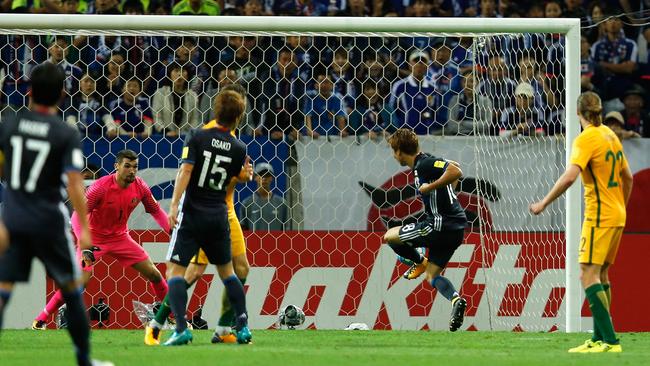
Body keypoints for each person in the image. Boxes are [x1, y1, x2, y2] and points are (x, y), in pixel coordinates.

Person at [0, 62, 112, 366]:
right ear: (63, 95)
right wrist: (85, 230)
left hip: (14, 220)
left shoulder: (10, 125)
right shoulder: (64, 133)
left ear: (29, 91)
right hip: (49, 221)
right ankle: (85, 360)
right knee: (72, 289)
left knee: (4, 287)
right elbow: (76, 184)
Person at [145, 84, 253, 346]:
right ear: (238, 114)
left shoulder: (211, 139)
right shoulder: (232, 144)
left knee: (241, 269)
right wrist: (242, 176)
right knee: (195, 273)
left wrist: (242, 177)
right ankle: (157, 325)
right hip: (217, 211)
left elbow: (196, 172)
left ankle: (223, 329)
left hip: (218, 212)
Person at [530, 91, 633, 353]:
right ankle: (600, 339)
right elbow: (628, 177)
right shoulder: (611, 135)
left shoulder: (586, 139)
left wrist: (544, 202)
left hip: (599, 214)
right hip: (616, 212)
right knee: (601, 274)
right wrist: (621, 205)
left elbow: (569, 177)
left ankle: (610, 341)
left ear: (577, 114)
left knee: (586, 274)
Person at [32, 149, 171, 329]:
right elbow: (76, 216)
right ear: (116, 167)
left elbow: (155, 210)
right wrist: (85, 243)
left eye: (135, 167)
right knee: (80, 280)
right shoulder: (100, 187)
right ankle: (40, 320)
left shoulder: (140, 186)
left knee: (154, 273)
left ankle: (173, 315)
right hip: (93, 237)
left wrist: (171, 231)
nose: (132, 171)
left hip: (121, 238)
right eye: (127, 166)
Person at [383, 128, 468, 332]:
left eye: (394, 151)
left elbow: (456, 171)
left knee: (390, 237)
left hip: (438, 226)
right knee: (432, 276)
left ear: (400, 152)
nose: (393, 156)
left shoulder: (424, 164)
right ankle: (456, 300)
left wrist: (431, 188)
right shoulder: (425, 163)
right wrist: (447, 193)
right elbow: (454, 165)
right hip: (455, 230)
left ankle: (419, 261)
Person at [240, 163, 290, 231]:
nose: (264, 178)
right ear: (255, 177)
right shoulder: (247, 203)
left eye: (267, 175)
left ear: (272, 178)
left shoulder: (281, 203)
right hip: (254, 241)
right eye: (261, 174)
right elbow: (243, 231)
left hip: (276, 241)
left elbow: (286, 230)